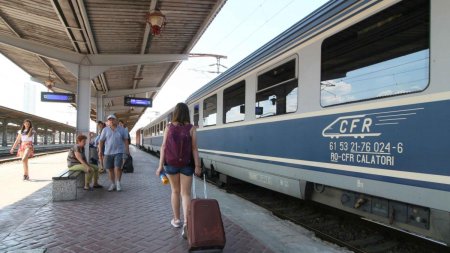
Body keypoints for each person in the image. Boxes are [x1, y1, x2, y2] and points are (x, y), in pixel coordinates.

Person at [155, 102, 201, 239]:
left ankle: (176, 220)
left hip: (171, 164)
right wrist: (197, 166)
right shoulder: (192, 128)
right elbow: (194, 148)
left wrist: (160, 166)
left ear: (175, 113)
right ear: (187, 113)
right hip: (186, 164)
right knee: (185, 193)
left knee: (175, 191)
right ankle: (187, 223)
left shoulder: (168, 127)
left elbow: (163, 147)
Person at [98, 114, 129, 192]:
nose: (111, 121)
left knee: (118, 168)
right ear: (108, 121)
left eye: (112, 119)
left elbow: (126, 140)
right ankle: (113, 183)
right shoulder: (105, 130)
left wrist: (127, 151)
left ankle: (118, 183)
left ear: (116, 120)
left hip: (119, 151)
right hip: (108, 152)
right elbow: (101, 141)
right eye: (109, 119)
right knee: (110, 169)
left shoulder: (122, 129)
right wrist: (100, 150)